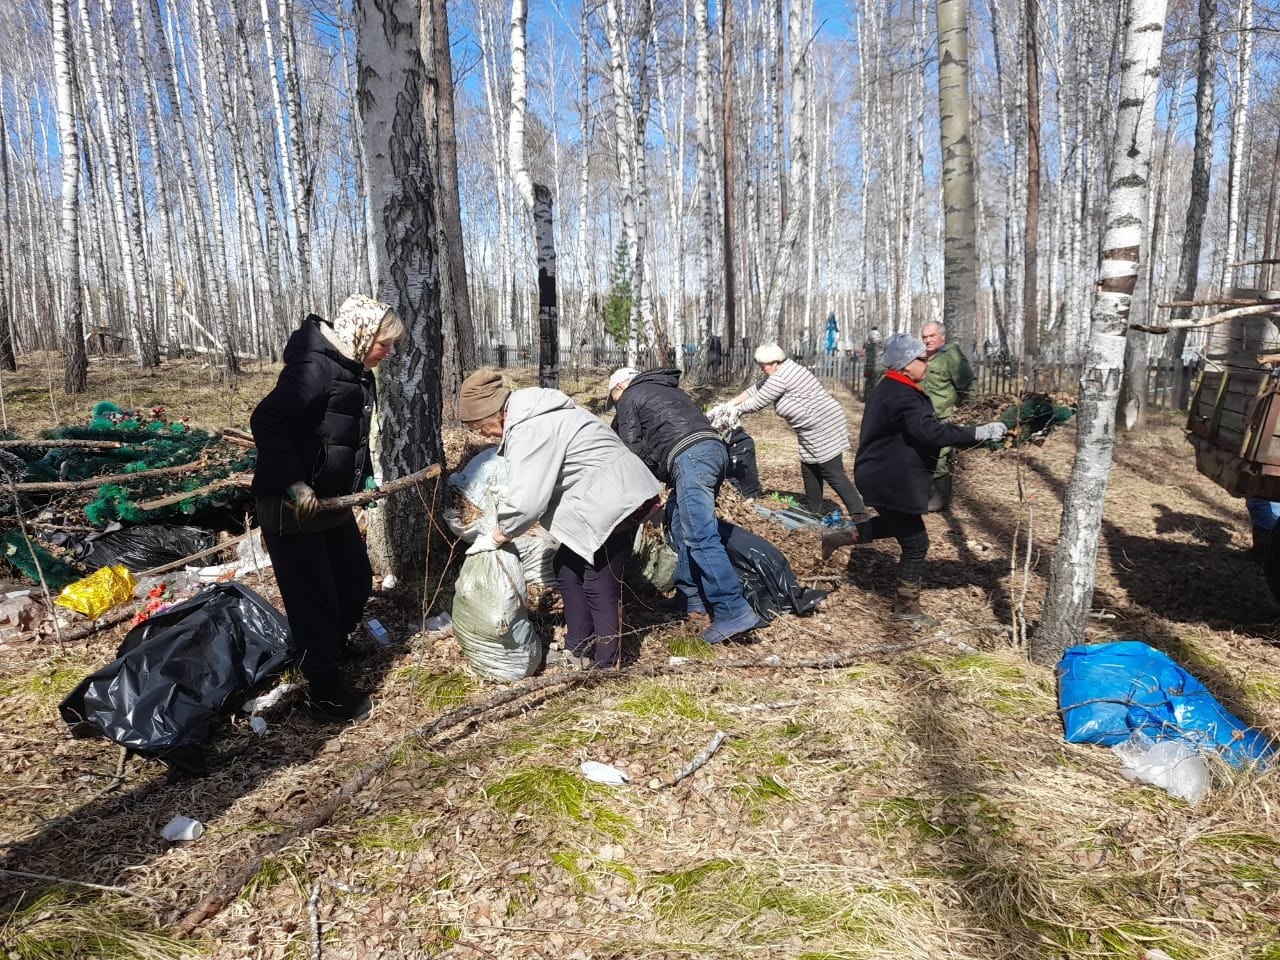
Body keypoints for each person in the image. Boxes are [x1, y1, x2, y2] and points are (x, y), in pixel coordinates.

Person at [250, 294, 405, 723]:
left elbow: (351, 435)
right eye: (384, 343)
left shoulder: (355, 370)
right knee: (313, 598)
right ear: (361, 335)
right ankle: (325, 693)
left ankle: (326, 652)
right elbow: (266, 420)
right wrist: (294, 484)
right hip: (291, 505)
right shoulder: (315, 367)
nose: (388, 352)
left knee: (354, 581)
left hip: (330, 502)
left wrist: (366, 475)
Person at [460, 368, 661, 670]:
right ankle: (578, 649)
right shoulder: (530, 417)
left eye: (479, 427)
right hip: (601, 497)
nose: (482, 435)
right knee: (566, 568)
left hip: (618, 501)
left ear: (494, 414)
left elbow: (528, 502)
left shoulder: (531, 428)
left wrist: (497, 536)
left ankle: (608, 665)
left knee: (598, 581)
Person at [821, 333, 1006, 627]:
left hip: (880, 473)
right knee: (917, 542)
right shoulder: (905, 396)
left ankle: (837, 536)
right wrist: (977, 433)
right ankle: (906, 608)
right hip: (890, 477)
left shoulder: (891, 388)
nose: (927, 364)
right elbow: (930, 434)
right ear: (906, 365)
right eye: (921, 359)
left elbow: (919, 429)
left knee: (897, 524)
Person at [608, 367, 760, 645]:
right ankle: (691, 597)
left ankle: (733, 609)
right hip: (713, 451)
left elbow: (630, 448)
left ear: (619, 388)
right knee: (679, 528)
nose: (616, 407)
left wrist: (643, 488)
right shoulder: (669, 390)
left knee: (700, 535)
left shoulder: (630, 396)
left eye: (613, 400)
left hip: (691, 457)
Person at [723, 343, 867, 522]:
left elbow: (757, 402)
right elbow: (754, 390)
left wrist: (734, 411)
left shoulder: (781, 377)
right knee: (809, 466)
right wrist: (730, 404)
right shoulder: (782, 370)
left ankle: (859, 515)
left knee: (831, 470)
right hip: (811, 427)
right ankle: (814, 509)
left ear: (775, 362)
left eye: (763, 366)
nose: (762, 370)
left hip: (822, 424)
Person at [920, 321, 975, 512]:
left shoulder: (951, 357)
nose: (928, 340)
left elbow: (968, 387)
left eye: (932, 336)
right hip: (923, 417)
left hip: (943, 417)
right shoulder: (923, 357)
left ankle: (940, 500)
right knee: (922, 455)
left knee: (941, 457)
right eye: (925, 337)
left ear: (942, 336)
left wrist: (965, 414)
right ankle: (925, 495)